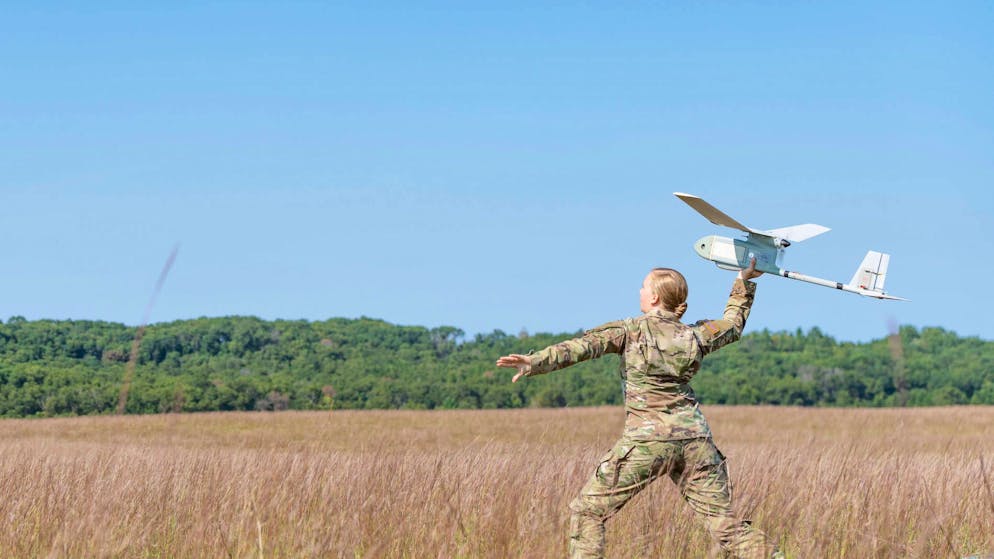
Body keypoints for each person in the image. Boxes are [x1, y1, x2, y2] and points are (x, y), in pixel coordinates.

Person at [496, 258, 780, 559]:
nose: (640, 291)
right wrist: (743, 279)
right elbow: (733, 325)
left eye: (644, 286)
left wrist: (534, 362)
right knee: (725, 527)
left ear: (655, 297)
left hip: (648, 441)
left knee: (588, 512)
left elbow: (581, 347)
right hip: (696, 442)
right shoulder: (695, 336)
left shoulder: (630, 330)